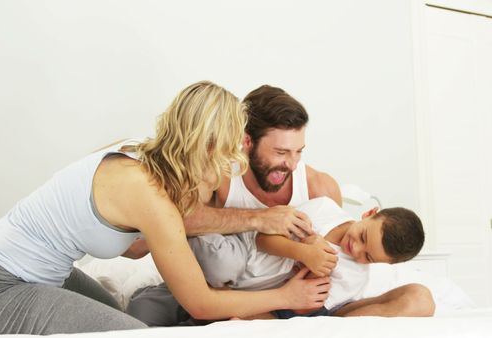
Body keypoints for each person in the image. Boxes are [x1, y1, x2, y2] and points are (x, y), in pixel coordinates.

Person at [0, 81, 331, 335]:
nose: (235, 159)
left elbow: (134, 248)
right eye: (233, 147)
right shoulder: (147, 193)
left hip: (46, 273)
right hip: (6, 283)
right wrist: (288, 297)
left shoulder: (134, 151)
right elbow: (200, 302)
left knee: (125, 318)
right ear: (210, 146)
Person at [181, 84, 435, 318]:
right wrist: (261, 219)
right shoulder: (222, 174)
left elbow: (326, 287)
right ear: (247, 142)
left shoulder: (320, 189)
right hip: (222, 287)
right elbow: (176, 223)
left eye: (298, 152)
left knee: (419, 298)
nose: (292, 164)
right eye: (281, 152)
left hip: (290, 303)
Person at [127, 196, 426, 325]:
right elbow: (263, 237)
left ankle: (162, 295)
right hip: (241, 253)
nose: (356, 250)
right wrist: (302, 251)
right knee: (221, 263)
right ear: (369, 214)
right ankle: (157, 229)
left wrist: (307, 277)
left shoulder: (354, 278)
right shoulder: (324, 208)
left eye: (369, 257)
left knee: (139, 313)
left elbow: (301, 307)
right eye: (363, 237)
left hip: (244, 293)